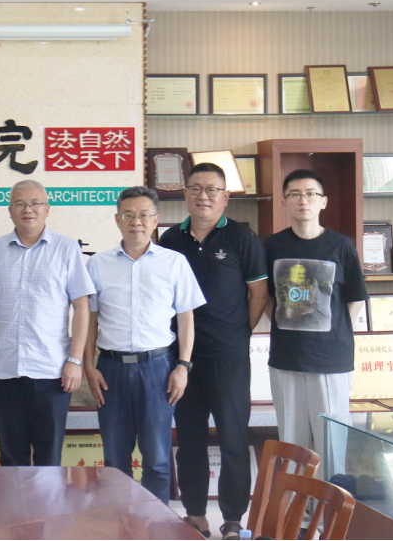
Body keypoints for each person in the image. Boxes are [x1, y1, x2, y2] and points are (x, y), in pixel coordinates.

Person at [158, 163, 268, 540]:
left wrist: (238, 333)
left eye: (211, 189)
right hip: (182, 360)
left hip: (228, 357)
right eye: (195, 188)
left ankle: (233, 518)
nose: (203, 196)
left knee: (234, 439)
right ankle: (195, 515)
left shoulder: (242, 237)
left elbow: (258, 294)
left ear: (225, 197)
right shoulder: (170, 238)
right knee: (189, 440)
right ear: (185, 193)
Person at [83, 186, 204, 504]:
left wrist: (183, 366)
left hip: (158, 369)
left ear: (155, 220)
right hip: (110, 370)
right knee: (115, 462)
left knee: (158, 461)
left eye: (143, 215)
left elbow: (186, 319)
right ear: (117, 220)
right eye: (128, 215)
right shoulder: (97, 264)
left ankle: (155, 526)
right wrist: (88, 367)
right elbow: (89, 321)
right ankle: (120, 524)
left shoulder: (174, 263)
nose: (136, 222)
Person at [0, 180, 94, 465]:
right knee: (11, 458)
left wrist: (75, 361)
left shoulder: (66, 249)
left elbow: (81, 306)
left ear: (47, 209)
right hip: (2, 370)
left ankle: (48, 499)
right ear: (10, 210)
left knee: (49, 458)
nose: (28, 209)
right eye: (20, 204)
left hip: (52, 371)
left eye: (36, 203)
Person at [264, 168, 368, 469]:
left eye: (311, 194)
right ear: (284, 202)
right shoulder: (271, 246)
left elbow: (355, 299)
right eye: (295, 194)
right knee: (291, 444)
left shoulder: (341, 246)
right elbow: (267, 298)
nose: (303, 200)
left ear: (323, 201)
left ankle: (330, 499)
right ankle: (292, 499)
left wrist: (333, 333)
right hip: (286, 358)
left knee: (331, 444)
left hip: (331, 360)